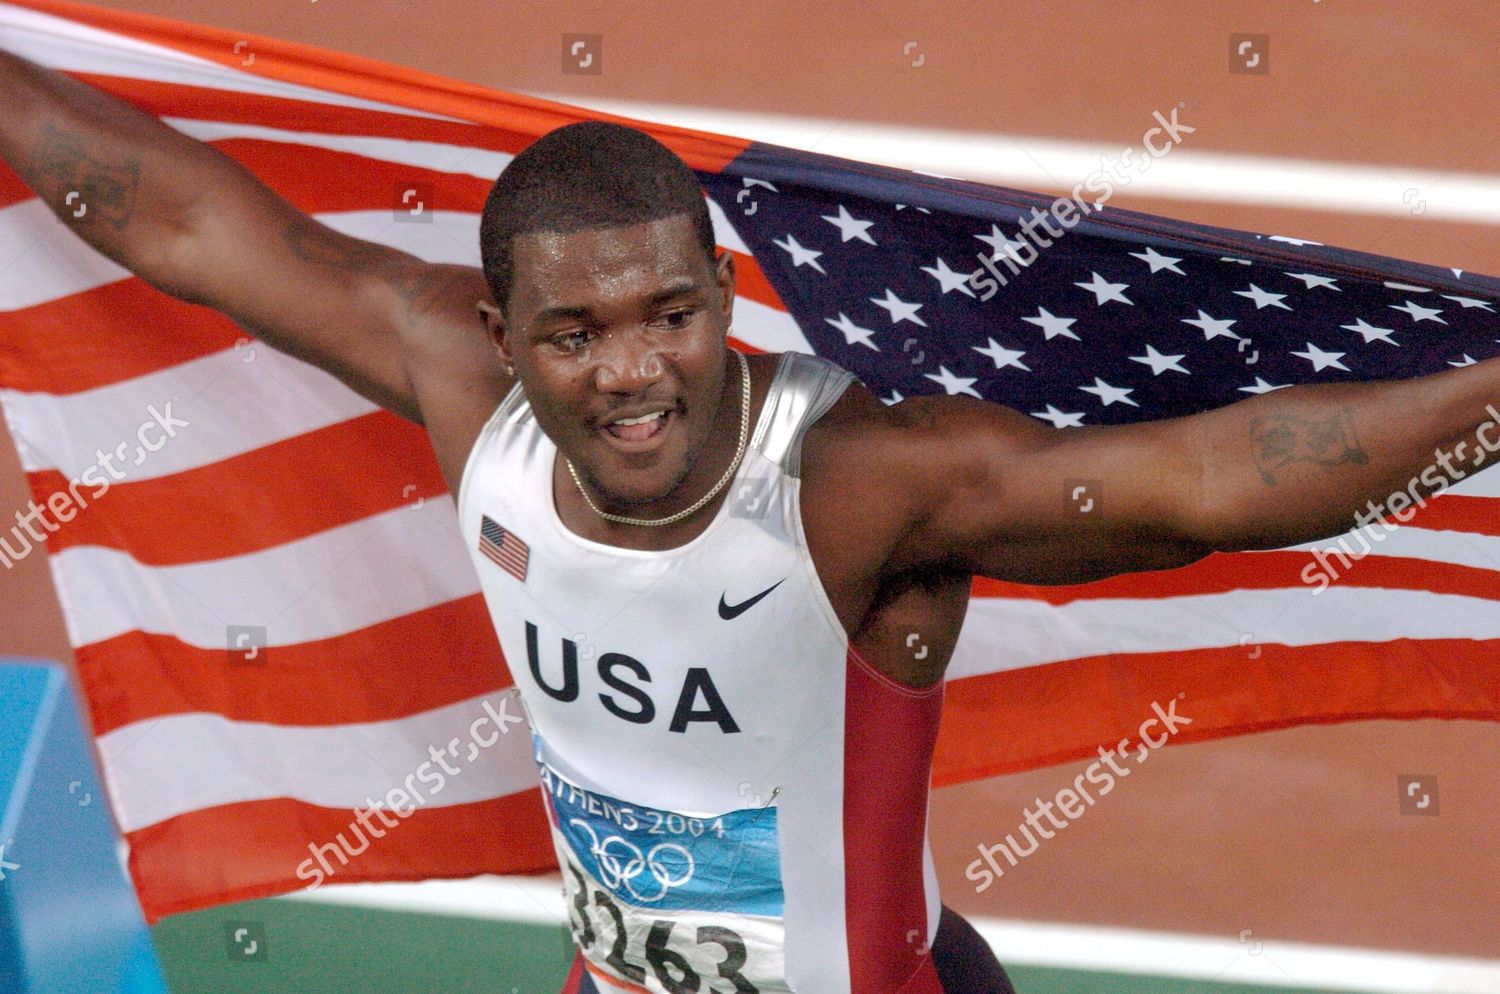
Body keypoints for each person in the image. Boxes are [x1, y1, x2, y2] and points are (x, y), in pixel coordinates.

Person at [2, 48, 1496, 994]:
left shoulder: (860, 484)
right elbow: (190, 224)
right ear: (500, 330)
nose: (634, 369)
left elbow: (1215, 483)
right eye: (576, 331)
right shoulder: (456, 383)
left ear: (724, 302)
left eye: (669, 313)